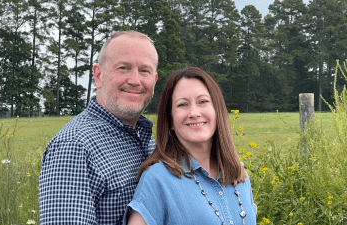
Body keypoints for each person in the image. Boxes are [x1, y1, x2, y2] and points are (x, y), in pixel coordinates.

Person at [39, 31, 158, 224]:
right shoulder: (74, 147)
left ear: (154, 80)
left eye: (145, 70)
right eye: (123, 68)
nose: (135, 80)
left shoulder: (147, 140)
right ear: (98, 75)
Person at [126, 67, 257, 225]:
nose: (194, 113)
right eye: (182, 104)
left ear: (217, 111)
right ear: (171, 120)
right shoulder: (157, 179)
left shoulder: (238, 175)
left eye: (203, 101)